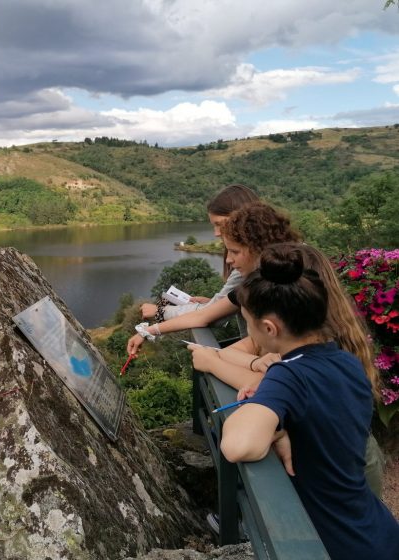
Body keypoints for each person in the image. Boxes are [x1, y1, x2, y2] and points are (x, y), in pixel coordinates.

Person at [219, 244, 399, 560]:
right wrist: (280, 423)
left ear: (269, 327)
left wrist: (263, 415)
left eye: (248, 321)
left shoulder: (287, 374)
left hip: (339, 544)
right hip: (376, 529)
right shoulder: (345, 361)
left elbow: (237, 445)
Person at [189, 243, 386, 496]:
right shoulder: (337, 355)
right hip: (360, 502)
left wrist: (267, 415)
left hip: (338, 500)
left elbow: (238, 444)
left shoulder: (293, 369)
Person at [126, 201, 300, 356]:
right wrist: (149, 331)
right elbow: (204, 315)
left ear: (258, 247)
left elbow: (206, 317)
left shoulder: (285, 290)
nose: (228, 260)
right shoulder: (253, 283)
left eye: (235, 252)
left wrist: (213, 362)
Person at [139, 184, 260, 322]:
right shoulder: (263, 258)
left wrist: (159, 311)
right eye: (214, 225)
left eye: (220, 224)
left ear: (242, 218)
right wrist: (215, 303)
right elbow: (218, 309)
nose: (216, 233)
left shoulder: (249, 264)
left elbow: (209, 313)